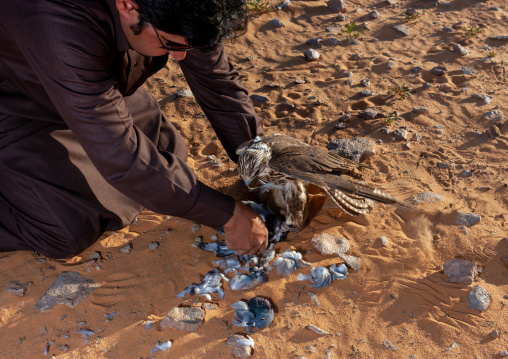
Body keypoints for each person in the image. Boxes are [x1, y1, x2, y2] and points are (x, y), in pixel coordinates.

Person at [0, 0, 269, 259]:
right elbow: (121, 157)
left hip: (88, 83)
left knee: (167, 152)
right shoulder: (57, 20)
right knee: (65, 227)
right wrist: (227, 215)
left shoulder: (173, 8)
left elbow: (216, 80)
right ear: (128, 6)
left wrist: (261, 164)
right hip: (16, 103)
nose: (180, 56)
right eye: (170, 44)